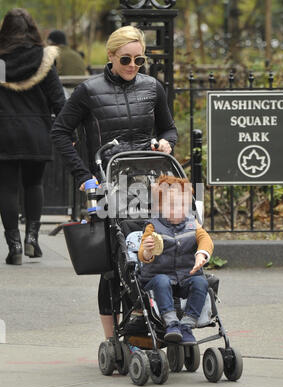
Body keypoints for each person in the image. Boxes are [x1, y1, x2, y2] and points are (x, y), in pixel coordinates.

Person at [51, 25, 178, 339]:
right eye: (126, 59)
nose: (133, 66)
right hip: (109, 185)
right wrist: (84, 176)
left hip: (150, 182)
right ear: (110, 56)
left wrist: (166, 144)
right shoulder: (89, 91)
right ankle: (112, 340)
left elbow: (169, 129)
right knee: (115, 262)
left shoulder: (152, 88)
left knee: (152, 251)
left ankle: (149, 320)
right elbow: (60, 132)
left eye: (139, 60)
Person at [0, 8, 66, 265]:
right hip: (36, 132)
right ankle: (32, 240)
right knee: (33, 184)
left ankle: (13, 244)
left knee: (6, 188)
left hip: (4, 131)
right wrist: (68, 131)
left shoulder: (1, 62)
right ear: (31, 29)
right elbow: (59, 100)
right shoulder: (44, 59)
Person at [138, 175, 214, 345]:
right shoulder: (153, 226)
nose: (177, 210)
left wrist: (201, 254)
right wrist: (148, 251)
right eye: (171, 206)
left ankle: (187, 324)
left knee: (201, 282)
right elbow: (142, 253)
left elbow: (205, 239)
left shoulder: (192, 223)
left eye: (182, 205)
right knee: (162, 281)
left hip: (185, 277)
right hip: (157, 278)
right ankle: (171, 322)